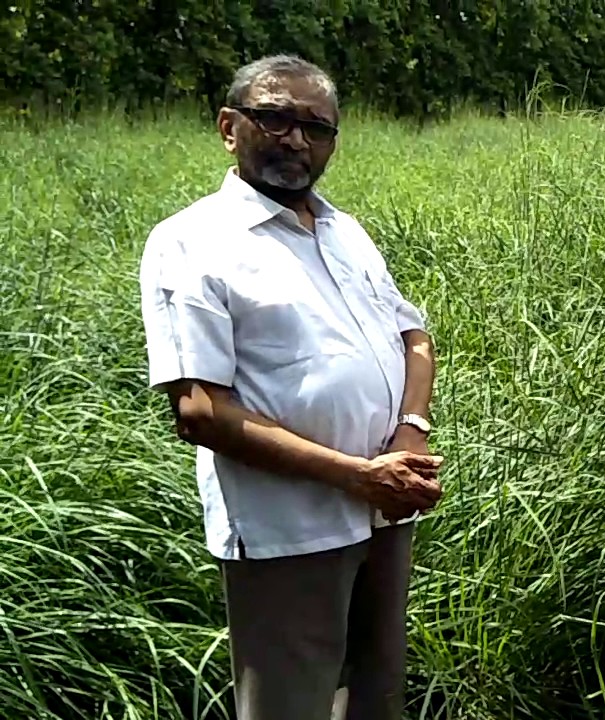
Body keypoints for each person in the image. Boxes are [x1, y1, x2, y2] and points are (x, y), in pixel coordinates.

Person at [137, 54, 444, 720]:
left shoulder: (345, 231)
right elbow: (201, 412)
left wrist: (406, 435)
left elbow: (414, 339)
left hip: (387, 510)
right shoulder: (192, 242)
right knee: (290, 702)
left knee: (375, 689)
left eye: (316, 126)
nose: (295, 139)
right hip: (289, 531)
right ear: (229, 125)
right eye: (274, 118)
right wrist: (357, 475)